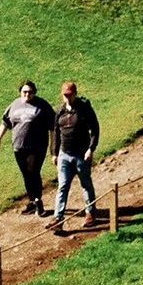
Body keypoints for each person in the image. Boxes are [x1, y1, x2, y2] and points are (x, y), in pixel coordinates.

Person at [0, 80, 51, 216]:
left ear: (34, 92)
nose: (27, 94)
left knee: (33, 172)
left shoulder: (42, 105)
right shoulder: (14, 105)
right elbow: (5, 123)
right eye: (24, 92)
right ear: (20, 92)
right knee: (26, 174)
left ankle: (38, 201)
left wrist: (53, 146)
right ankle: (32, 202)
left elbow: (52, 126)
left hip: (37, 147)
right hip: (19, 147)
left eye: (30, 92)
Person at [48, 80, 100, 233]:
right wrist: (54, 153)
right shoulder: (59, 111)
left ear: (75, 94)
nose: (68, 98)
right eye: (65, 95)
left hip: (81, 154)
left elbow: (95, 129)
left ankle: (90, 213)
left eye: (70, 95)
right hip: (64, 154)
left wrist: (91, 149)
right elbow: (56, 133)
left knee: (85, 184)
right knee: (62, 186)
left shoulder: (84, 109)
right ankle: (58, 219)